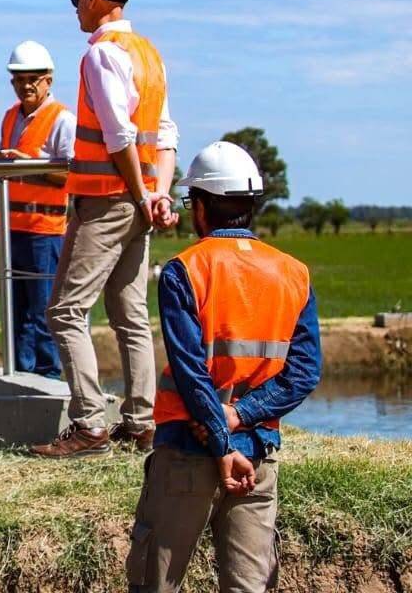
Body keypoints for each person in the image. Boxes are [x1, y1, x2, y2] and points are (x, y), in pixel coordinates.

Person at [126, 141, 321, 592]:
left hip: (188, 456)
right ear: (251, 204)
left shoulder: (186, 269)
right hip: (257, 456)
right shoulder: (293, 272)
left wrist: (219, 440)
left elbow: (192, 373)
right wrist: (241, 418)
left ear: (201, 207)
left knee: (155, 582)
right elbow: (304, 374)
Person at [32, 0, 181, 458]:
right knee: (129, 311)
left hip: (106, 201)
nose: (74, 7)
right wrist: (157, 196)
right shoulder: (149, 53)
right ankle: (140, 423)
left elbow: (118, 135)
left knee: (65, 310)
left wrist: (142, 195)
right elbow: (165, 134)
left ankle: (90, 424)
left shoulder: (100, 55)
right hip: (137, 202)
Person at [0, 41, 75, 380]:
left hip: (45, 230)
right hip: (13, 228)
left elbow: (69, 175)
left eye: (32, 79)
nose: (25, 86)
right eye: (19, 79)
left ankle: (48, 376)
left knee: (42, 310)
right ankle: (21, 374)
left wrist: (29, 165)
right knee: (17, 308)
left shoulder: (62, 120)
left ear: (48, 80)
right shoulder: (11, 117)